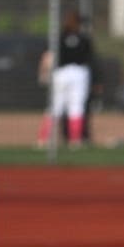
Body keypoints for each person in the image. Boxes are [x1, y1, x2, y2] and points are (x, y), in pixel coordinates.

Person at [36, 8, 93, 148]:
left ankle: (43, 140)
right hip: (79, 73)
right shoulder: (84, 39)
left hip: (60, 74)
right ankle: (75, 141)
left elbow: (48, 57)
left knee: (55, 107)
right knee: (76, 107)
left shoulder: (59, 38)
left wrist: (43, 72)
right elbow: (90, 59)